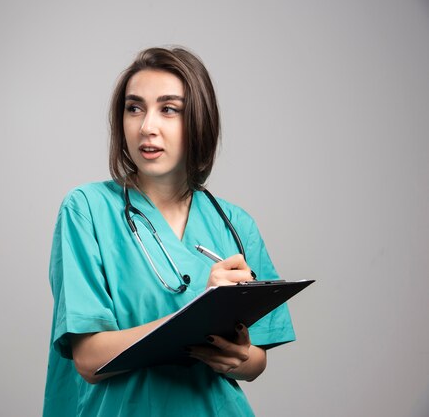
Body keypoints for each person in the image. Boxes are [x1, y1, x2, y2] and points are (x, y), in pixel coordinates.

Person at [43, 46, 295, 416]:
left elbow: (256, 361)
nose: (147, 126)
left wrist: (239, 357)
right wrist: (198, 313)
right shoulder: (87, 210)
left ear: (199, 120)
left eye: (168, 109)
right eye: (134, 108)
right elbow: (88, 359)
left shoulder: (234, 223)